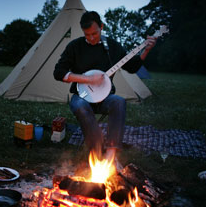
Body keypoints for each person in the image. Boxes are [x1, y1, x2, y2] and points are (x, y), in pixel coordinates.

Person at [53, 11, 156, 166]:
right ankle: (97, 150)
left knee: (119, 101)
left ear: (101, 27)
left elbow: (133, 66)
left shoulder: (112, 47)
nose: (91, 38)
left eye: (94, 33)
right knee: (80, 106)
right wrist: (87, 79)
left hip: (105, 97)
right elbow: (58, 72)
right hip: (81, 95)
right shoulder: (75, 46)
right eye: (87, 35)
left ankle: (111, 153)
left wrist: (146, 49)